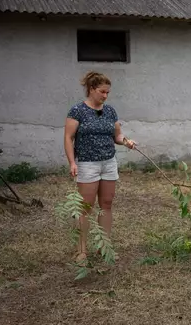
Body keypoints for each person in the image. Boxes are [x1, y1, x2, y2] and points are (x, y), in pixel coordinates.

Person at [64, 71, 136, 262]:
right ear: (91, 89)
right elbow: (68, 138)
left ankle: (104, 248)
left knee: (106, 205)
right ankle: (81, 250)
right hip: (88, 164)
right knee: (85, 207)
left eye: (107, 93)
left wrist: (126, 141)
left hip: (108, 163)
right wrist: (72, 162)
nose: (105, 96)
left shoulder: (110, 111)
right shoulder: (77, 111)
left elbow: (117, 136)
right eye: (102, 92)